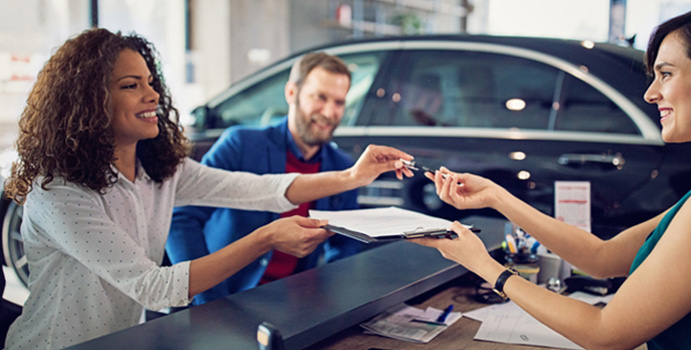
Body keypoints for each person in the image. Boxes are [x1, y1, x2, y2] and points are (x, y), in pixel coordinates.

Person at [413, 5, 691, 349]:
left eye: (666, 74)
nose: (651, 94)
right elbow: (602, 257)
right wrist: (498, 198)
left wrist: (487, 268)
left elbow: (606, 332)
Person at [2, 28, 413, 350]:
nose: (153, 95)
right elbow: (155, 286)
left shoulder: (160, 170)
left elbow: (259, 190)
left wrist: (352, 177)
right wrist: (267, 237)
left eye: (150, 81)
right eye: (131, 85)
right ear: (89, 101)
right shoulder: (58, 191)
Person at [167, 52, 362, 305]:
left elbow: (345, 245)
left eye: (339, 102)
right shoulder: (241, 145)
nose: (329, 112)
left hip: (294, 302)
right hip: (225, 297)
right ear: (292, 93)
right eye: (320, 97)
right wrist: (205, 298)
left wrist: (332, 298)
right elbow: (181, 219)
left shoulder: (343, 168)